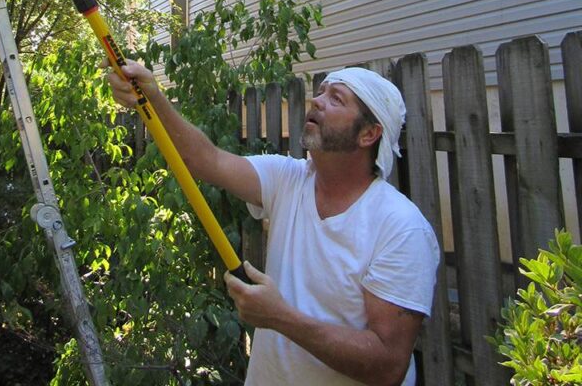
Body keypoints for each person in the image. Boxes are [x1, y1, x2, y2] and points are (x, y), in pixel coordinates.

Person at [106, 61, 440, 386]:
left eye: (336, 98)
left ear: (369, 133)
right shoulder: (289, 179)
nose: (317, 100)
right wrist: (152, 97)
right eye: (321, 92)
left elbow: (387, 367)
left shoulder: (401, 228)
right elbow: (207, 161)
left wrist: (281, 317)